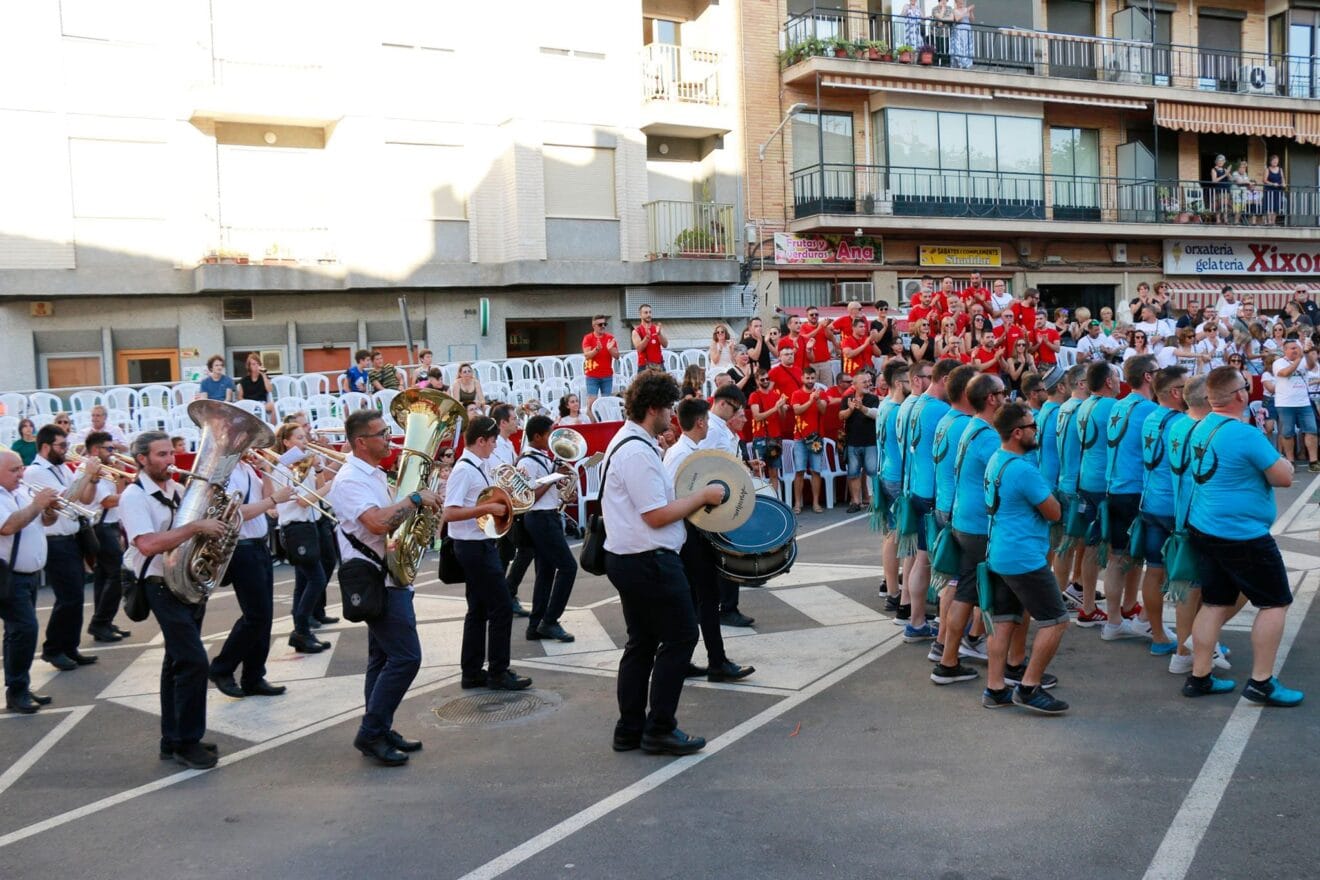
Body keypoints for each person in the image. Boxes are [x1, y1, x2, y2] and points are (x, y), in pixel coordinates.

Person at [603, 371, 726, 756]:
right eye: (669, 408)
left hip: (632, 558)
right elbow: (656, 515)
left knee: (641, 643)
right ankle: (659, 728)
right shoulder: (638, 452)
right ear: (653, 408)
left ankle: (629, 729)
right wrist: (703, 496)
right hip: (649, 560)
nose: (673, 415)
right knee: (681, 636)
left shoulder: (629, 442)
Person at [329, 410, 442, 765]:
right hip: (376, 577)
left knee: (381, 659)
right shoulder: (350, 480)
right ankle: (371, 733)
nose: (390, 438)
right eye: (382, 434)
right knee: (406, 658)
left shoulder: (373, 474)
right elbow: (377, 524)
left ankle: (380, 727)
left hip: (388, 575)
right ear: (361, 442)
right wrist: (415, 500)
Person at [1182, 367, 1300, 705]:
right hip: (1241, 534)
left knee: (1214, 603)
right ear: (1239, 395)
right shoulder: (1244, 434)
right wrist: (1285, 465)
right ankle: (1262, 682)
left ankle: (1200, 676)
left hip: (1206, 527)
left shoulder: (1200, 426)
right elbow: (1283, 478)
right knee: (1274, 603)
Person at [117, 432, 227, 766]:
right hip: (157, 584)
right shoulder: (134, 496)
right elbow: (148, 544)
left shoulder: (177, 490)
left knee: (176, 662)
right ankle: (186, 743)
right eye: (162, 455)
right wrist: (195, 527)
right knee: (193, 661)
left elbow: (204, 524)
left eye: (171, 454)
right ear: (142, 459)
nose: (170, 460)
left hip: (184, 582)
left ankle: (173, 738)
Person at [982, 402, 1070, 714]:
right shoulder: (1023, 470)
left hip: (1000, 551)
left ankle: (995, 688)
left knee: (1004, 621)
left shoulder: (997, 459)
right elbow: (1054, 512)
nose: (1037, 431)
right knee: (1056, 621)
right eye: (1033, 426)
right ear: (1018, 433)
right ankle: (1029, 687)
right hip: (1023, 557)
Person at [663, 399, 754, 682]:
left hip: (695, 532)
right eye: (706, 421)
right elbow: (673, 497)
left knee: (695, 600)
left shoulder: (690, 451)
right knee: (707, 597)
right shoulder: (681, 454)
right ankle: (716, 662)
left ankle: (687, 660)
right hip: (689, 534)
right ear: (700, 422)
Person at [444, 415, 531, 694]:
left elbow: (499, 486)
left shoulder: (480, 464)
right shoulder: (464, 470)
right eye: (492, 441)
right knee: (502, 606)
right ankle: (498, 672)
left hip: (479, 544)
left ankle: (471, 672)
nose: (495, 446)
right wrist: (487, 509)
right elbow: (449, 513)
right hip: (473, 547)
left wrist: (519, 480)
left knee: (479, 609)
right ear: (480, 440)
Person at [208, 450, 294, 699]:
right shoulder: (224, 470)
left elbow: (268, 502)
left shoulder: (246, 468)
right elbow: (236, 513)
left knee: (264, 617)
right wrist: (273, 499)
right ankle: (222, 668)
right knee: (255, 616)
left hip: (258, 545)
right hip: (241, 548)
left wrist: (266, 472)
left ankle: (254, 676)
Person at [26, 424, 99, 671]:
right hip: (55, 541)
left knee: (76, 597)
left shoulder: (61, 468)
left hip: (72, 538)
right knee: (68, 597)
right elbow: (64, 500)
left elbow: (85, 498)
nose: (66, 450)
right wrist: (86, 473)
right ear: (46, 447)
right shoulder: (36, 472)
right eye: (62, 445)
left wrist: (93, 480)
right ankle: (53, 649)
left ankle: (70, 647)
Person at [1098, 355, 1160, 642]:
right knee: (1150, 561)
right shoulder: (1150, 410)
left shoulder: (1117, 405)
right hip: (1135, 489)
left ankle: (1117, 617)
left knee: (1120, 557)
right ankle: (1136, 619)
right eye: (1157, 371)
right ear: (1148, 376)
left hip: (1114, 488)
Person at [896, 358, 953, 643]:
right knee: (940, 562)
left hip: (915, 488)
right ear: (946, 380)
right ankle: (944, 628)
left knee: (921, 558)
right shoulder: (941, 410)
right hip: (932, 494)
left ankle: (916, 621)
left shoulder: (912, 404)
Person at [0, 450, 58, 714]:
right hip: (11, 575)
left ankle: (19, 686)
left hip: (29, 575)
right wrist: (37, 504)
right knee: (24, 630)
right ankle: (17, 691)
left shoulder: (20, 492)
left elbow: (44, 521)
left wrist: (50, 511)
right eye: (14, 470)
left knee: (17, 632)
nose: (21, 474)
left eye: (21, 468)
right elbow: (8, 526)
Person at [512, 415, 578, 643]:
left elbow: (547, 490)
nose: (553, 439)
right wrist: (552, 478)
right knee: (568, 567)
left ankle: (536, 625)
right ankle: (550, 621)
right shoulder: (527, 462)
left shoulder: (543, 458)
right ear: (538, 436)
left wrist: (563, 490)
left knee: (546, 572)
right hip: (540, 518)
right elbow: (528, 497)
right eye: (550, 434)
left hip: (549, 515)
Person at [1137, 366, 1188, 658]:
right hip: (1174, 508)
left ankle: (1158, 635)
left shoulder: (1150, 417)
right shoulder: (1181, 422)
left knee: (1154, 569)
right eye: (1185, 386)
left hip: (1150, 503)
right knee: (1189, 578)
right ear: (1175, 392)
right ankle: (1190, 645)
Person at [270, 424, 333, 654]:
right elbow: (303, 501)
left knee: (304, 581)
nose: (304, 441)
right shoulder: (285, 467)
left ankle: (302, 630)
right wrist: (331, 485)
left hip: (307, 525)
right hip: (295, 527)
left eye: (304, 437)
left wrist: (319, 470)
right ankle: (301, 630)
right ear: (286, 442)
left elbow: (316, 491)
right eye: (298, 438)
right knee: (316, 579)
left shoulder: (301, 465)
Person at [83, 431, 130, 643]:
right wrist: (132, 494)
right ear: (95, 450)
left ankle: (103, 621)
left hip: (109, 524)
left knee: (104, 576)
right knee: (117, 575)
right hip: (100, 526)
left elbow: (116, 498)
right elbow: (107, 501)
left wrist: (121, 477)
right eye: (109, 449)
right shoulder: (93, 470)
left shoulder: (106, 470)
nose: (113, 452)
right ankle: (100, 622)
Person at [876, 360, 911, 613]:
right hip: (897, 476)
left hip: (886, 472)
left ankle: (890, 587)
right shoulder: (898, 410)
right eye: (910, 380)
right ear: (898, 383)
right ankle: (897, 594)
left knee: (891, 533)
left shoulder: (884, 405)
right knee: (901, 535)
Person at [1272, 340, 1320, 471]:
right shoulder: (1278, 363)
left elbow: (1311, 365)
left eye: (1297, 348)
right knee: (1288, 433)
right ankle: (1290, 461)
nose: (1295, 350)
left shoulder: (1303, 360)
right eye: (1292, 348)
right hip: (1285, 403)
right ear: (1285, 350)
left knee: (1311, 431)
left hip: (1304, 402)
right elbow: (1285, 373)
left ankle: (1313, 461)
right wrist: (1299, 358)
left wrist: (1307, 353)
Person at [789, 366, 827, 514]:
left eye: (812, 378)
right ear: (802, 378)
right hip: (800, 438)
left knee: (816, 471)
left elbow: (823, 410)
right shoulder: (796, 394)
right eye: (807, 378)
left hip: (816, 438)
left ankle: (816, 503)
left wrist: (817, 400)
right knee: (799, 471)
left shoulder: (821, 393)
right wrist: (811, 400)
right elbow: (797, 410)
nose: (810, 381)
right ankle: (798, 503)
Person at [841, 370, 880, 513]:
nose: (868, 384)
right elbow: (841, 416)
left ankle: (875, 502)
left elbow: (876, 414)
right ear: (855, 384)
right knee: (853, 473)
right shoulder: (847, 399)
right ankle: (856, 502)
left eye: (869, 381)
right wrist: (850, 409)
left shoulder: (873, 398)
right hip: (853, 442)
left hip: (870, 442)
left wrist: (861, 408)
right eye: (864, 382)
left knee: (872, 472)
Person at [583, 315, 620, 414]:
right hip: (592, 375)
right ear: (594, 326)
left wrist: (610, 349)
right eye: (600, 324)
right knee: (591, 403)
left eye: (605, 324)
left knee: (606, 402)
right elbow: (587, 355)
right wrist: (596, 350)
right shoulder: (588, 338)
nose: (603, 326)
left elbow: (617, 356)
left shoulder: (610, 338)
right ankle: (592, 422)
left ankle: (604, 420)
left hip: (607, 375)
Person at [800, 307, 836, 385]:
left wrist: (825, 327)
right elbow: (805, 337)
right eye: (811, 315)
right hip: (811, 363)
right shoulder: (803, 327)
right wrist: (819, 328)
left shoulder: (822, 326)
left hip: (825, 362)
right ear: (807, 316)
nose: (814, 316)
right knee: (812, 387)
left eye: (816, 314)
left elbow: (830, 338)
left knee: (827, 386)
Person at [236, 352, 275, 419]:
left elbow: (270, 389)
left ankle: (271, 425)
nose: (256, 366)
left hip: (261, 404)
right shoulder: (244, 380)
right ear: (249, 366)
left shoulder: (264, 378)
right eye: (253, 364)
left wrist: (263, 375)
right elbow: (240, 397)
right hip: (248, 403)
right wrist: (246, 403)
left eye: (258, 364)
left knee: (273, 406)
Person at [631, 303, 668, 371]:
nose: (648, 315)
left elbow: (665, 345)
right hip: (644, 366)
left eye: (650, 312)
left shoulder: (657, 328)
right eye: (646, 313)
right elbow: (639, 349)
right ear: (640, 315)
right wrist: (647, 338)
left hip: (659, 364)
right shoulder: (636, 331)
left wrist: (659, 334)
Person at [951, 0, 974, 68]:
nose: (961, 3)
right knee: (960, 46)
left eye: (962, 2)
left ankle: (967, 63)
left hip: (967, 30)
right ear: (956, 2)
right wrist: (966, 10)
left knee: (967, 46)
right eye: (959, 2)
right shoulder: (955, 10)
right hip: (960, 31)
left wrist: (971, 12)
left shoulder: (966, 9)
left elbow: (972, 20)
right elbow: (958, 19)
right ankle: (959, 62)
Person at [1262, 154, 1284, 224]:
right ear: (1270, 161)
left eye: (1276, 161)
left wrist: (1283, 183)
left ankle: (1273, 222)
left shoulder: (1280, 169)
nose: (1275, 162)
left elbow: (1282, 178)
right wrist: (1272, 184)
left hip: (1277, 190)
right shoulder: (1267, 169)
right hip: (1269, 190)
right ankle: (1269, 221)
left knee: (1276, 206)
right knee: (1269, 205)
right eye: (1274, 161)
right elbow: (1264, 180)